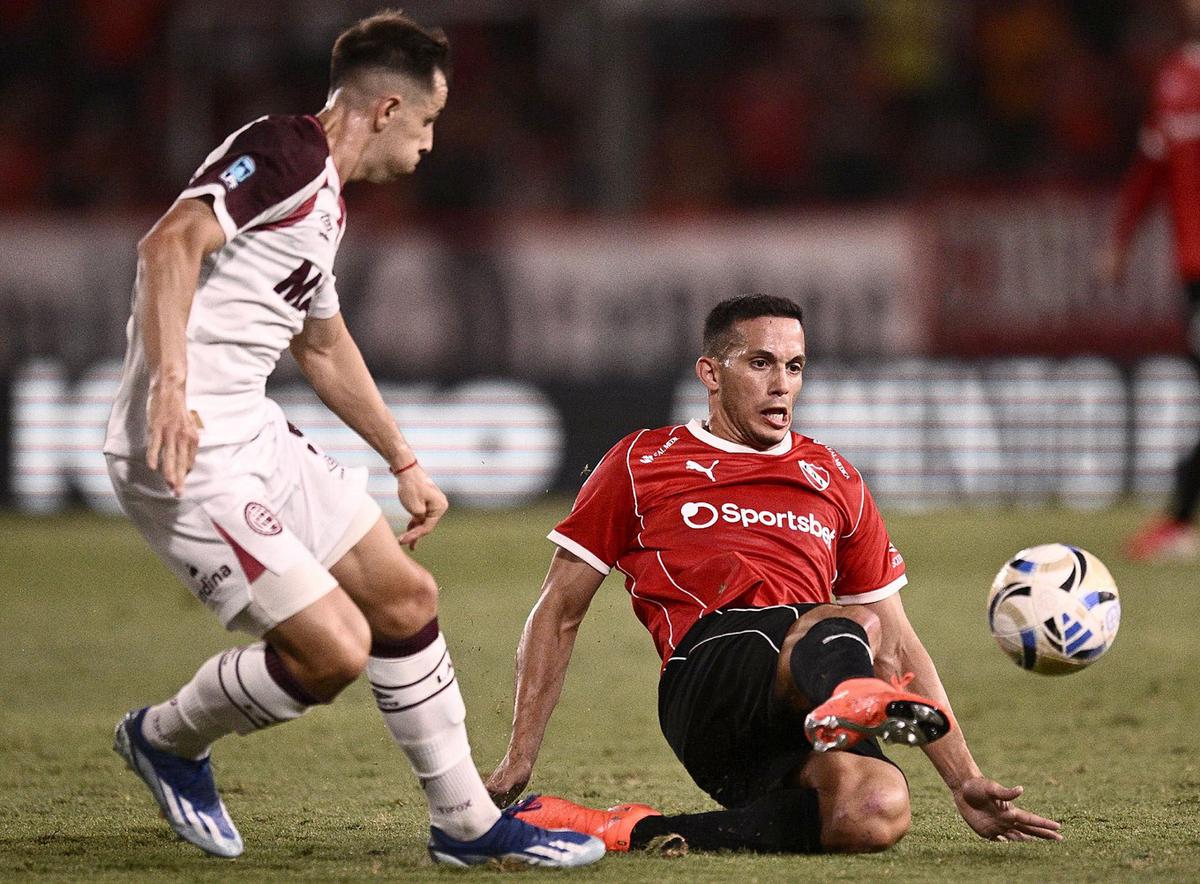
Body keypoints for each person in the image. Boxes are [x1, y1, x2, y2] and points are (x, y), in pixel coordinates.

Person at [101, 11, 602, 868]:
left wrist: (404, 462)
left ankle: (466, 825)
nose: (431, 144)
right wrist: (172, 391)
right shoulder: (288, 152)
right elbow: (167, 245)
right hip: (187, 447)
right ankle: (166, 740)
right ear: (386, 108)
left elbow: (323, 345)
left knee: (405, 599)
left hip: (249, 427)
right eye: (429, 120)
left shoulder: (324, 198)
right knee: (333, 650)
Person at [485, 294, 1062, 854]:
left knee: (874, 811)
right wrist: (519, 753)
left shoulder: (835, 477)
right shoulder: (642, 461)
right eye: (760, 363)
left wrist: (963, 779)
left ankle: (621, 829)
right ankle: (848, 694)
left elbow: (898, 643)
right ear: (712, 373)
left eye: (794, 366)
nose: (781, 383)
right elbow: (558, 612)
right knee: (847, 621)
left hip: (807, 693)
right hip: (708, 680)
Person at [1100, 0, 1200, 561]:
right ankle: (1179, 520)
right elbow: (1150, 170)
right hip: (1196, 269)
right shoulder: (1175, 80)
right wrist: (1120, 241)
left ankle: (1179, 519)